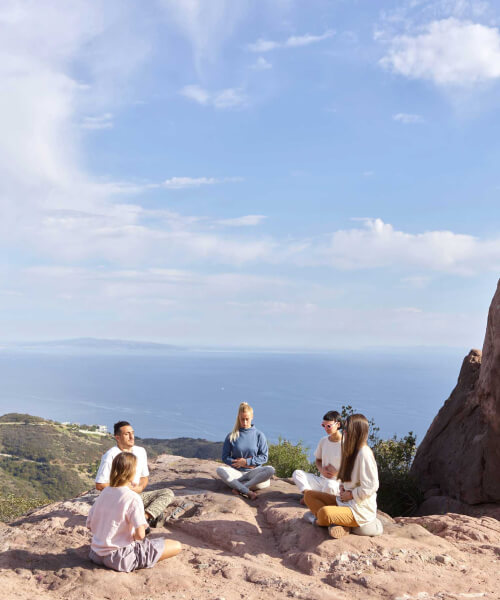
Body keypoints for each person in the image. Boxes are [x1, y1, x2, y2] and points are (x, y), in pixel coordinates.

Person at [87, 452, 181, 572]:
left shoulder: (105, 493)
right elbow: (140, 535)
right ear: (131, 472)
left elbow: (89, 524)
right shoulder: (132, 497)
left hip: (95, 554)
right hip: (120, 558)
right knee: (176, 546)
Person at [303, 413, 379, 539]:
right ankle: (340, 524)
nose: (344, 432)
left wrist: (351, 494)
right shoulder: (351, 450)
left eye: (347, 429)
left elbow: (372, 486)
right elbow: (347, 477)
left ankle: (317, 520)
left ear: (356, 431)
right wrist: (343, 486)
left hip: (358, 509)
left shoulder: (364, 453)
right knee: (309, 496)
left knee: (324, 513)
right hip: (344, 501)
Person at [95, 421, 174, 528]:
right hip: (118, 499)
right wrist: (124, 489)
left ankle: (144, 518)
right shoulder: (110, 456)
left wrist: (140, 488)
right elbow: (100, 485)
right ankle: (142, 520)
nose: (132, 437)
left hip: (136, 496)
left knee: (167, 493)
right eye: (127, 434)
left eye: (132, 433)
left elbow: (144, 476)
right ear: (117, 437)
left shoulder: (140, 451)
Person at [216, 402, 275, 500]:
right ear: (238, 417)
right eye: (242, 419)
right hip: (237, 472)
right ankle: (247, 491)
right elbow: (225, 457)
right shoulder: (232, 436)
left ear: (252, 417)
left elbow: (264, 457)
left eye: (247, 419)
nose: (244, 422)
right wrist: (238, 463)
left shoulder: (259, 435)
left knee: (270, 470)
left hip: (254, 472)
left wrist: (247, 462)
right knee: (220, 470)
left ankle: (240, 488)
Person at [292, 410, 343, 500]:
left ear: (338, 425)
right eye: (323, 425)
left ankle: (314, 498)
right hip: (321, 481)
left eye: (329, 426)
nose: (326, 428)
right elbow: (318, 460)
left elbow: (353, 470)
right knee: (297, 474)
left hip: (336, 484)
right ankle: (309, 496)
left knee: (329, 485)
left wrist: (336, 473)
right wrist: (321, 470)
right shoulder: (323, 441)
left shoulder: (346, 444)